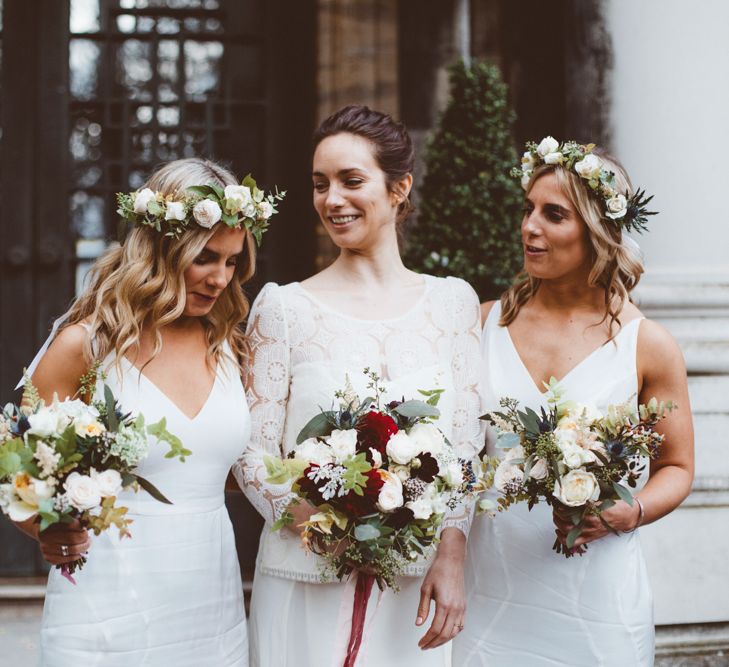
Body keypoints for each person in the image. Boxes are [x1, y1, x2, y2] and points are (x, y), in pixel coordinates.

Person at [234, 105, 482, 666]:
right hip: (307, 575)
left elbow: (466, 452)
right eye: (320, 184)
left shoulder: (453, 303)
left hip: (415, 584)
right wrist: (327, 528)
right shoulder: (283, 308)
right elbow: (251, 454)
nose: (332, 200)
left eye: (352, 180)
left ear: (399, 188)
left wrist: (452, 552)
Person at [12, 157, 270, 666]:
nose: (221, 278)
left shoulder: (229, 347)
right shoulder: (87, 348)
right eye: (206, 258)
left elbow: (224, 470)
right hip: (104, 613)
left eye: (233, 261)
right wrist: (48, 528)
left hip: (211, 613)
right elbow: (14, 467)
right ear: (163, 247)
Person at [453, 138, 695, 666]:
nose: (529, 226)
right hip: (490, 591)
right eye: (528, 210)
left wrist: (632, 510)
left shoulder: (646, 344)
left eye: (553, 214)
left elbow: (676, 466)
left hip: (597, 601)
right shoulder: (483, 324)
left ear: (597, 232)